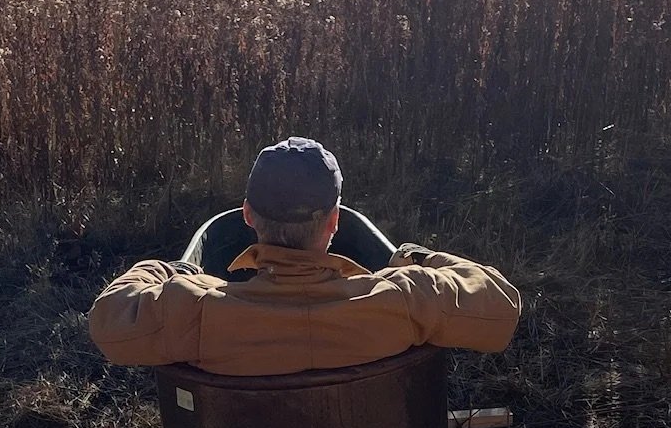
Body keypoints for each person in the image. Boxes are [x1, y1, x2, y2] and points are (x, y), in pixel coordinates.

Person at [89, 136, 522, 376]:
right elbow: (501, 304)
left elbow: (108, 319)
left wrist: (176, 270)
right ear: (334, 221)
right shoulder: (405, 301)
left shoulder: (195, 310)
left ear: (247, 215)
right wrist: (414, 256)